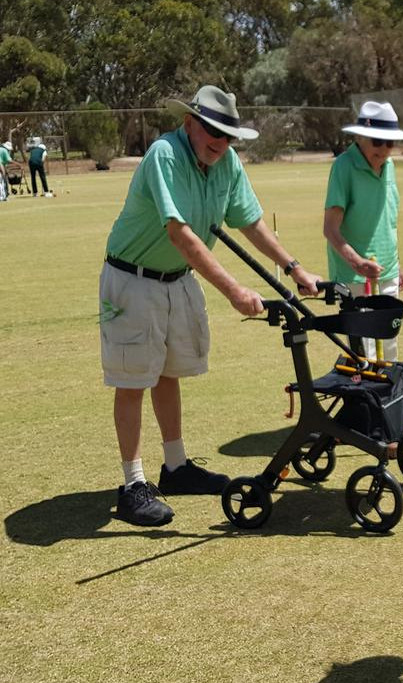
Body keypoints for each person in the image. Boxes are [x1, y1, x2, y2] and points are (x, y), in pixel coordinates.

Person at [99, 85, 321, 527]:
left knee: (168, 372)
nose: (221, 142)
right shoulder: (164, 155)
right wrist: (234, 291)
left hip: (176, 280)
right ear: (189, 124)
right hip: (132, 279)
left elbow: (250, 222)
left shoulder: (227, 163)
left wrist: (294, 267)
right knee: (133, 380)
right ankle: (132, 485)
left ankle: (176, 467)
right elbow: (180, 234)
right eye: (213, 131)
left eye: (228, 134)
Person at [322, 101, 403, 361]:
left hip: (387, 271)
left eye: (389, 143)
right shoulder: (344, 167)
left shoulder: (390, 166)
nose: (383, 150)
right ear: (360, 137)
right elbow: (330, 229)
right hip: (354, 276)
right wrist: (357, 262)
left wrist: (397, 264)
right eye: (377, 141)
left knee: (390, 343)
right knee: (364, 351)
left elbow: (387, 221)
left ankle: (389, 388)